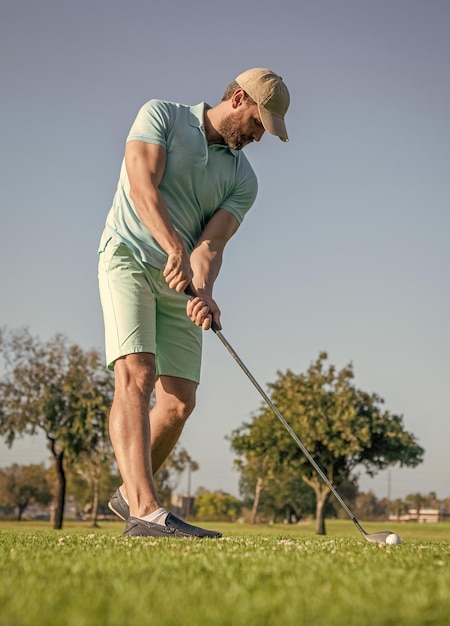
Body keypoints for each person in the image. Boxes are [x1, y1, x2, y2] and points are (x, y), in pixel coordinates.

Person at [98, 68, 290, 538]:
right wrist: (173, 248)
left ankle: (129, 493)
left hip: (179, 280)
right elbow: (142, 186)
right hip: (129, 258)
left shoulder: (244, 178)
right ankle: (146, 511)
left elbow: (212, 245)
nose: (259, 137)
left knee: (180, 401)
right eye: (259, 123)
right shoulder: (161, 116)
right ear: (239, 98)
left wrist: (203, 291)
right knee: (137, 373)